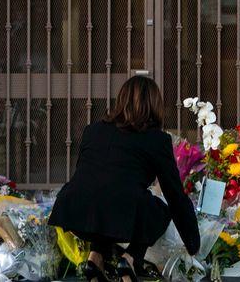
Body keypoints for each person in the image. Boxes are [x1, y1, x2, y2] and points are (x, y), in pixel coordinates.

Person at [48, 76, 200, 282]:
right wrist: (193, 244)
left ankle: (95, 259)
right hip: (119, 209)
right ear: (154, 105)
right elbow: (174, 195)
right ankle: (130, 259)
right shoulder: (157, 139)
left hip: (75, 209)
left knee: (106, 203)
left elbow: (90, 177)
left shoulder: (93, 130)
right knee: (160, 209)